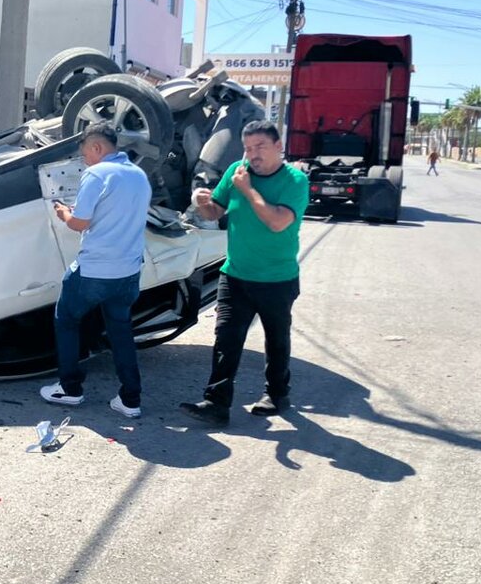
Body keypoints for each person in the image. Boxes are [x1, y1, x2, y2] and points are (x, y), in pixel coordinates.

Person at [180, 119, 310, 427]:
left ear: (279, 146)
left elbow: (277, 221)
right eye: (248, 148)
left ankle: (277, 394)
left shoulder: (294, 180)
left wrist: (248, 190)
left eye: (260, 147)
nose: (252, 155)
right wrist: (201, 202)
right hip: (235, 275)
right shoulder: (237, 173)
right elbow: (216, 211)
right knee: (226, 338)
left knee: (276, 340)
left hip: (277, 279)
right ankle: (216, 403)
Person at [40, 122, 153, 418]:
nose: (84, 161)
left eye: (85, 154)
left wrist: (64, 212)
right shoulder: (140, 175)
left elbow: (80, 222)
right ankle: (130, 399)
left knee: (65, 319)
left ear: (97, 147)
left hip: (94, 271)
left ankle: (70, 389)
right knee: (120, 330)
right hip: (128, 273)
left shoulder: (97, 173)